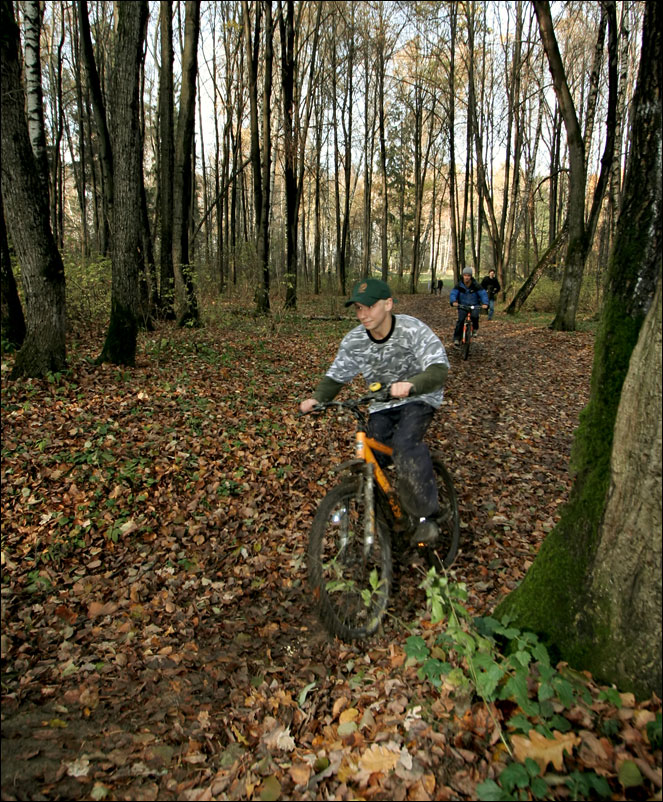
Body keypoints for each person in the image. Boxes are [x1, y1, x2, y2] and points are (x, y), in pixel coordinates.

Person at [299, 278, 450, 546]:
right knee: (372, 456)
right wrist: (317, 399)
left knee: (405, 445)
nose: (362, 314)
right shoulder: (355, 339)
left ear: (388, 304)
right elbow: (337, 375)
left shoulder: (412, 330)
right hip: (381, 403)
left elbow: (439, 368)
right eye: (358, 308)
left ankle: (427, 517)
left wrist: (413, 384)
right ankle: (385, 517)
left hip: (419, 397)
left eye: (369, 306)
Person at [449, 266, 489, 346]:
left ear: (471, 276)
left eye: (468, 275)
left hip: (474, 305)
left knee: (475, 316)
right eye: (465, 275)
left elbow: (483, 294)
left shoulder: (476, 285)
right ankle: (457, 338)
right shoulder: (459, 285)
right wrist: (453, 301)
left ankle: (474, 329)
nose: (467, 277)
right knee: (460, 320)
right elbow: (453, 293)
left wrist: (485, 303)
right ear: (463, 276)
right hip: (462, 305)